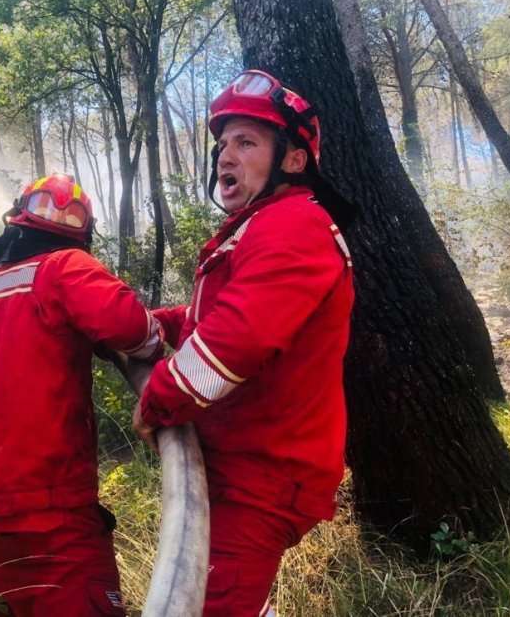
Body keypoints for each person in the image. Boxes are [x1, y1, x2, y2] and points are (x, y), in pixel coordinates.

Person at [133, 70, 356, 616]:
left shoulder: (294, 224)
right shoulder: (259, 227)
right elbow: (217, 317)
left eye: (246, 142)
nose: (224, 157)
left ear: (293, 160)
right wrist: (154, 326)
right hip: (237, 464)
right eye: (222, 144)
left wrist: (157, 400)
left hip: (262, 475)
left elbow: (238, 340)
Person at [0, 174, 162, 616]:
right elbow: (131, 328)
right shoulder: (64, 266)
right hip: (49, 515)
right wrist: (155, 335)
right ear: (83, 235)